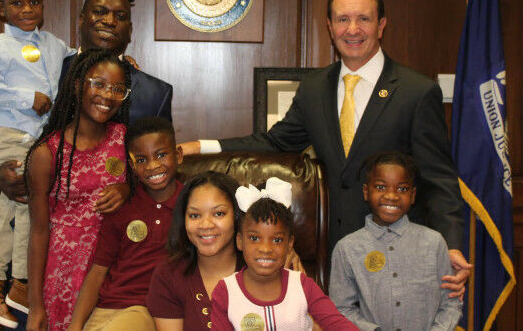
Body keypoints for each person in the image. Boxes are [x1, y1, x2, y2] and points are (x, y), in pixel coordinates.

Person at [180, 0, 471, 296]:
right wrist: (201, 146)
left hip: (398, 254)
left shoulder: (417, 91)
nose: (353, 29)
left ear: (382, 25)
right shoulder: (314, 87)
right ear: (330, 27)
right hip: (332, 254)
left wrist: (451, 245)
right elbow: (275, 143)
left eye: (364, 19)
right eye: (343, 19)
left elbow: (439, 180)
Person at [0, 0, 172, 204]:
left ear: (130, 30)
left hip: (121, 224)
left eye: (120, 17)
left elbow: (162, 165)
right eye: (100, 12)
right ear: (82, 19)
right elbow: (3, 133)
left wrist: (129, 188)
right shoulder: (45, 73)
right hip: (50, 221)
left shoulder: (155, 94)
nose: (109, 21)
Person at [0, 0, 75, 328]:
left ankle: (1, 282)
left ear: (43, 4)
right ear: (1, 9)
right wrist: (28, 97)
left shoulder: (52, 44)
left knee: (23, 201)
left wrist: (121, 63)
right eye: (16, 3)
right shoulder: (1, 46)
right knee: (29, 199)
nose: (27, 9)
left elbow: (76, 59)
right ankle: (16, 282)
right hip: (9, 131)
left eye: (33, 2)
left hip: (35, 138)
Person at [25, 49, 132, 331]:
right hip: (65, 274)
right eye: (98, 84)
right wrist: (35, 304)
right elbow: (37, 232)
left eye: (118, 89)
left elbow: (154, 186)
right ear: (77, 85)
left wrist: (128, 189)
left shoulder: (125, 139)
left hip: (115, 269)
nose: (108, 95)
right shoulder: (46, 153)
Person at [146, 172, 305, 330]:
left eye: (219, 213)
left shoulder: (272, 265)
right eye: (195, 215)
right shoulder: (168, 275)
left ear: (237, 217)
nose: (206, 224)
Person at [67, 117, 184, 330]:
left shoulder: (192, 207)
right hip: (107, 308)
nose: (153, 166)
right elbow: (98, 272)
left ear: (178, 155)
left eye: (161, 155)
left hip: (146, 309)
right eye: (141, 160)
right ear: (131, 166)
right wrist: (74, 327)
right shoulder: (122, 206)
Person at [329, 152, 462, 330]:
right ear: (366, 191)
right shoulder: (347, 248)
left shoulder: (434, 243)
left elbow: (451, 304)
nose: (392, 195)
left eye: (402, 189)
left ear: (413, 195)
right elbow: (341, 309)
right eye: (381, 187)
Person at [211, 178, 357, 330]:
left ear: (289, 244)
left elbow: (338, 324)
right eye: (254, 238)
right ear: (240, 241)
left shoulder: (304, 286)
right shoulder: (226, 291)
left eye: (277, 240)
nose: (266, 249)